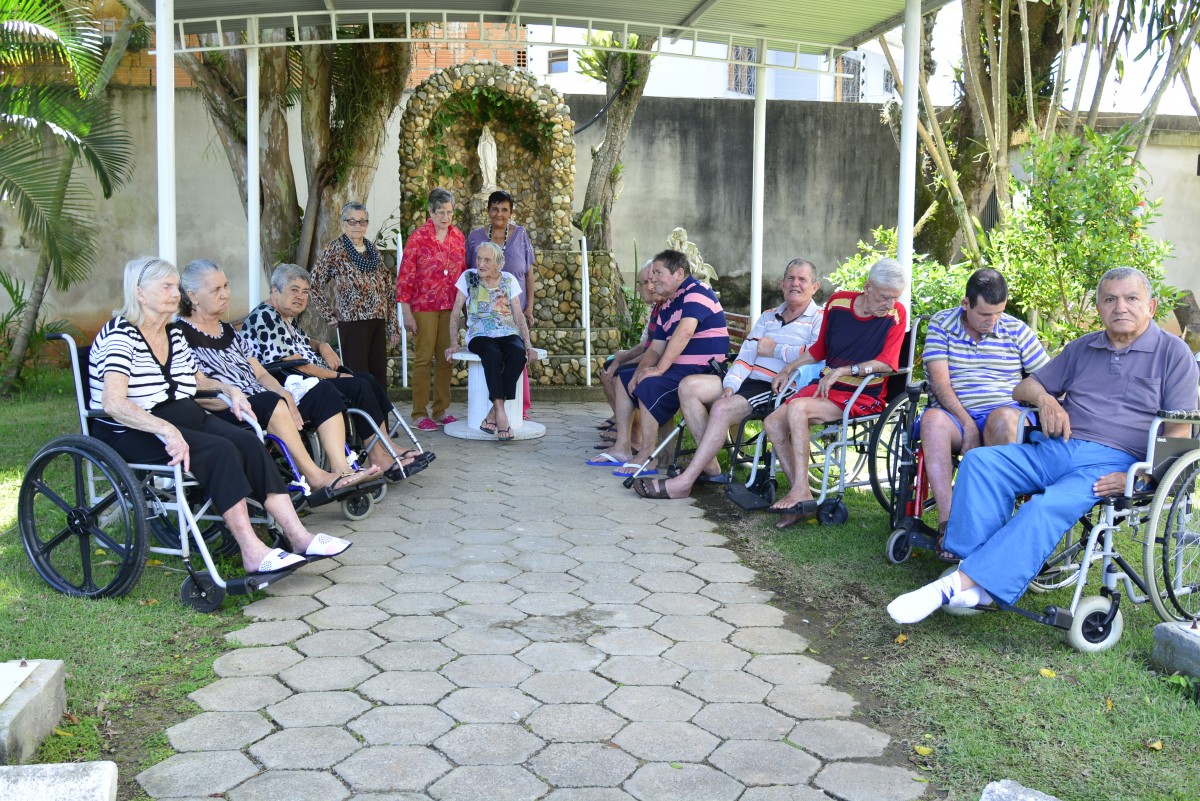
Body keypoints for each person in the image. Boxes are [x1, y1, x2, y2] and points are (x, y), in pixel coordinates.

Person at [887, 267, 1199, 624]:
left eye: (1131, 299)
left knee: (1044, 507)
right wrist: (1048, 400)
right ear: (1098, 306)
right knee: (981, 463)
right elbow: (1024, 389)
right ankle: (977, 580)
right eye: (1110, 299)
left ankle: (954, 585)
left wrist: (1141, 477)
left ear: (1151, 306)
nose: (1120, 307)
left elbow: (1180, 431)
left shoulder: (1173, 354)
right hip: (1059, 447)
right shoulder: (1084, 347)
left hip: (1114, 463)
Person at [89, 258, 352, 575]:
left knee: (249, 443)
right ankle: (252, 551)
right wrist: (167, 431)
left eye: (177, 286)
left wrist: (230, 390)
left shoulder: (172, 333)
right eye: (167, 287)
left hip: (182, 417)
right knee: (221, 451)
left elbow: (199, 381)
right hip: (133, 429)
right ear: (140, 293)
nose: (176, 294)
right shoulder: (121, 335)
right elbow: (114, 403)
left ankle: (299, 537)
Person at [177, 259, 382, 505]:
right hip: (228, 408)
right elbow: (192, 384)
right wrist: (241, 394)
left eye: (226, 286)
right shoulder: (180, 334)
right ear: (193, 296)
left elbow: (261, 374)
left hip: (260, 399)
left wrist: (283, 392)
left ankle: (342, 470)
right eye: (216, 290)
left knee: (322, 393)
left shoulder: (228, 331)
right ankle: (316, 477)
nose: (225, 295)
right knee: (271, 401)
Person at [634, 258, 825, 499]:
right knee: (690, 386)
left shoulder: (820, 317)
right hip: (748, 379)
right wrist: (731, 384)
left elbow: (816, 353)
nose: (794, 284)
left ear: (814, 287)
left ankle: (684, 482)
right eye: (790, 278)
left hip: (779, 385)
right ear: (781, 283)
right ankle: (710, 465)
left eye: (802, 279)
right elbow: (747, 354)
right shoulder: (769, 316)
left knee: (723, 409)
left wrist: (775, 349)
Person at [240, 263, 431, 482]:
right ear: (275, 291)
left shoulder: (285, 317)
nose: (300, 297)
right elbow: (297, 364)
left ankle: (387, 445)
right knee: (358, 384)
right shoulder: (265, 317)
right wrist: (339, 376)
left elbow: (303, 343)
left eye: (305, 292)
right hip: (292, 382)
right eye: (294, 290)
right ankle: (379, 455)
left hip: (306, 377)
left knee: (367, 379)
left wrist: (322, 345)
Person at [764, 258, 908, 527]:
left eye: (895, 298)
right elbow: (820, 349)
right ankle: (802, 492)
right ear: (867, 287)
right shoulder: (839, 303)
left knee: (798, 408)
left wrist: (844, 370)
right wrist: (789, 368)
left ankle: (800, 491)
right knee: (772, 422)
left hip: (862, 395)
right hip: (825, 388)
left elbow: (888, 363)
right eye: (885, 297)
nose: (890, 304)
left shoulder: (896, 315)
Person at [918, 268, 1049, 560]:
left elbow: (1047, 378)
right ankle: (949, 524)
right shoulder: (943, 324)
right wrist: (967, 425)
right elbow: (940, 384)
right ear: (966, 304)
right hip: (954, 414)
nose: (992, 322)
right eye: (985, 315)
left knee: (1005, 420)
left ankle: (995, 528)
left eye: (999, 313)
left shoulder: (1016, 330)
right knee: (931, 421)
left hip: (1002, 411)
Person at [588, 249, 729, 477]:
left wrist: (658, 370)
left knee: (649, 385)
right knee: (626, 378)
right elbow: (655, 347)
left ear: (679, 273)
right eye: (651, 273)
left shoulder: (696, 292)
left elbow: (684, 333)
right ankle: (623, 448)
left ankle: (647, 455)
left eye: (658, 273)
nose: (652, 279)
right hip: (681, 370)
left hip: (703, 372)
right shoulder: (670, 304)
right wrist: (640, 372)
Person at [445, 241, 539, 441]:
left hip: (506, 330)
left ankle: (492, 413)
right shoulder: (468, 278)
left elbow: (518, 315)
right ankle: (501, 416)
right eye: (479, 259)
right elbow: (455, 313)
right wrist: (454, 343)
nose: (481, 264)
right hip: (479, 333)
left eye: (487, 260)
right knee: (492, 354)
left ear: (498, 263)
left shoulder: (508, 279)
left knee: (517, 353)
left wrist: (528, 345)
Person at [308, 201, 401, 388]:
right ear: (343, 224)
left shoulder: (372, 250)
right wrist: (328, 314)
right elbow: (313, 283)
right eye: (352, 221)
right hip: (352, 323)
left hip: (377, 321)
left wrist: (393, 327)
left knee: (378, 377)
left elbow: (387, 289)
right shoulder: (334, 249)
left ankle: (380, 418)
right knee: (358, 377)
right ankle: (361, 417)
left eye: (362, 221)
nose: (357, 226)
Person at [397, 187, 466, 431]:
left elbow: (463, 275)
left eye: (449, 212)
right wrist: (406, 312)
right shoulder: (418, 238)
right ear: (430, 211)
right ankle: (418, 413)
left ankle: (440, 410)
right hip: (423, 306)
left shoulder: (458, 237)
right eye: (440, 212)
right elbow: (405, 276)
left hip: (450, 307)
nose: (445, 217)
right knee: (424, 359)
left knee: (447, 358)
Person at [465, 190, 538, 418]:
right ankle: (500, 409)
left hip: (515, 309)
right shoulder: (476, 237)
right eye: (495, 209)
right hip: (486, 314)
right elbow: (470, 273)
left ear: (511, 212)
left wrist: (529, 307)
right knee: (494, 354)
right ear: (488, 211)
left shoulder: (521, 235)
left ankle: (519, 408)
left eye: (504, 209)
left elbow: (529, 273)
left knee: (516, 353)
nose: (499, 214)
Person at [597, 262, 666, 448]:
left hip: (666, 365)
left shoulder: (667, 306)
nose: (640, 288)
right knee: (611, 369)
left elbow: (654, 349)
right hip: (657, 359)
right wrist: (622, 356)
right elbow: (648, 343)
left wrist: (624, 360)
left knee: (622, 374)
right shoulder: (658, 307)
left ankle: (633, 437)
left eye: (642, 282)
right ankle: (623, 431)